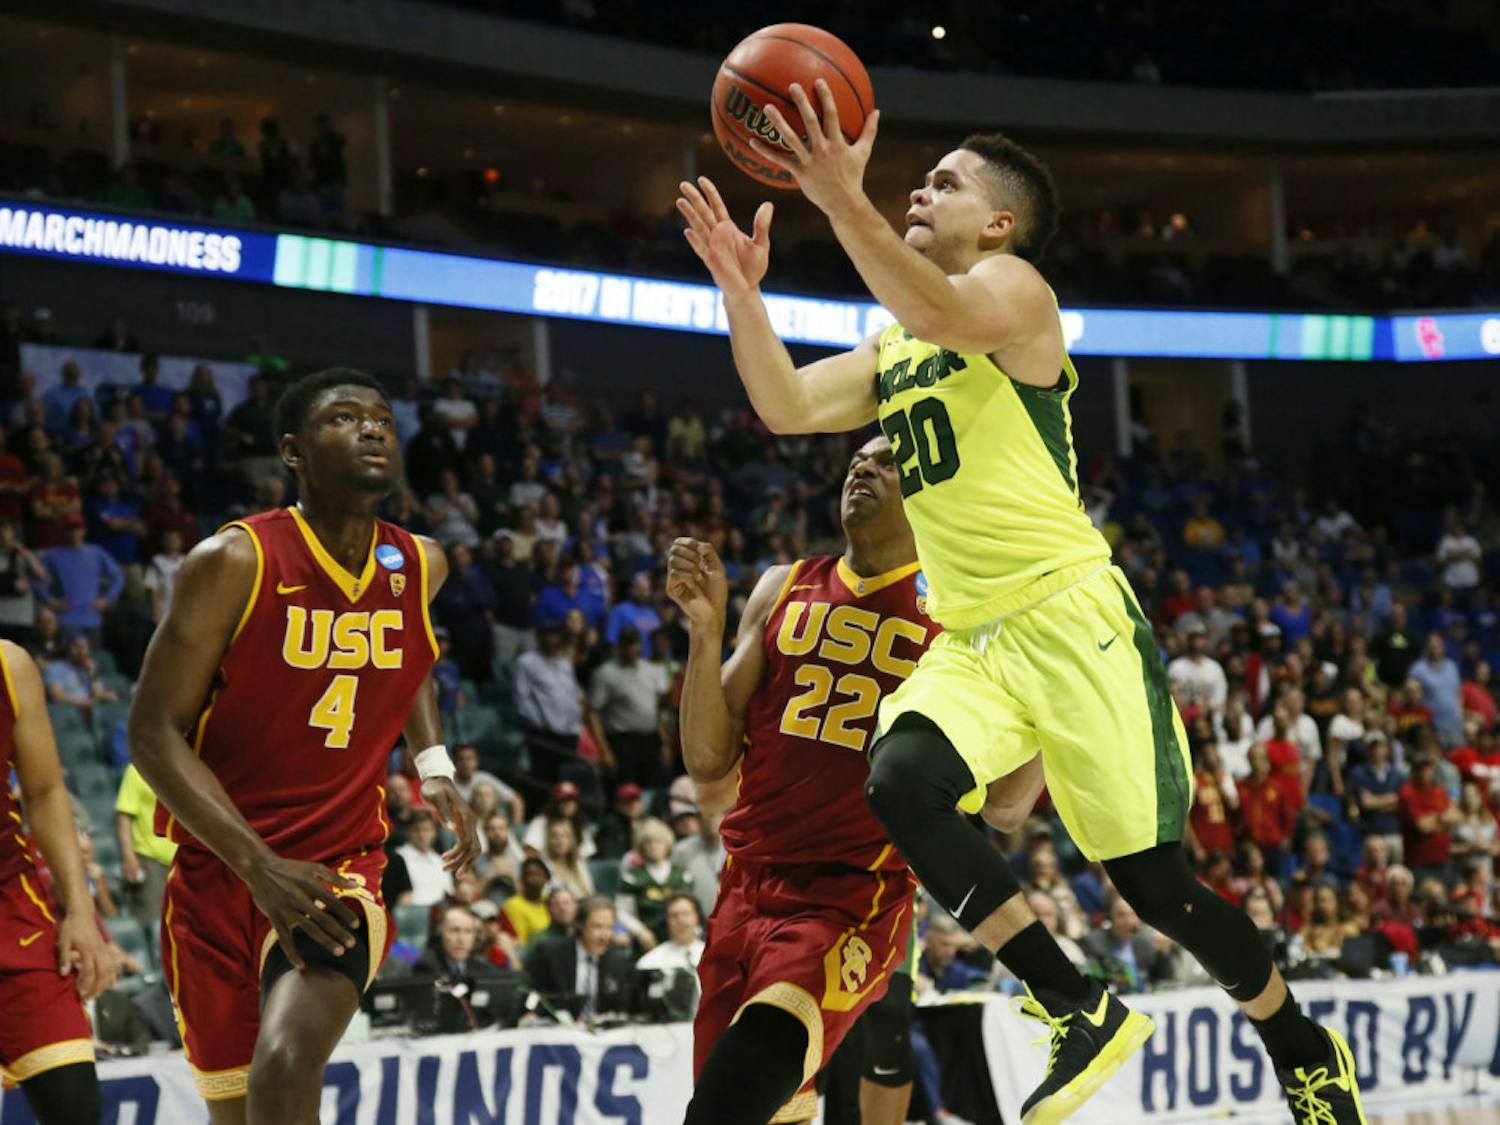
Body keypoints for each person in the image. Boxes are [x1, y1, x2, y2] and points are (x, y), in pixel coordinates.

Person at [677, 105, 1364, 1120]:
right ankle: (1072, 1000)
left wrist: (835, 194)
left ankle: (1295, 1038)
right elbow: (783, 404)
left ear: (999, 225)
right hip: (976, 635)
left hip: (1073, 622)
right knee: (901, 778)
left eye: (946, 182)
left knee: (1156, 888)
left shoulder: (1016, 293)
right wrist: (742, 293)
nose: (920, 190)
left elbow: (951, 316)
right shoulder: (897, 343)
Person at [127, 369, 479, 1124]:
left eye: (382, 417)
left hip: (338, 866)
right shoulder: (232, 562)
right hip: (220, 871)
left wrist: (434, 765)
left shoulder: (421, 563)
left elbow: (408, 652)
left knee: (286, 1064)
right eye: (344, 418)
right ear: (292, 450)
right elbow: (150, 731)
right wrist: (257, 866)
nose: (373, 428)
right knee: (239, 1109)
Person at [669, 435, 1034, 1125]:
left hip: (848, 901)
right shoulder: (783, 584)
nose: (863, 467)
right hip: (742, 888)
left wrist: (1045, 693)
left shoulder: (966, 620)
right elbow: (708, 762)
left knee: (726, 1103)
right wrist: (704, 626)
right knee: (756, 1108)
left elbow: (1011, 804)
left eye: (890, 460)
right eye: (857, 459)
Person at [0, 641, 116, 1123]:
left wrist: (81, 914)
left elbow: (46, 791)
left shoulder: (9, 664)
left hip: (14, 909)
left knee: (77, 1111)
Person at [524, 896, 636, 1017]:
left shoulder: (620, 964)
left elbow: (625, 1009)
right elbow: (529, 997)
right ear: (580, 925)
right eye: (597, 927)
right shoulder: (550, 954)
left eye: (609, 928)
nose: (605, 936)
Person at [114, 761, 177, 930]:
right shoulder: (137, 770)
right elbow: (124, 816)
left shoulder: (184, 768)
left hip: (183, 860)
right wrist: (129, 857)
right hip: (150, 860)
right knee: (154, 924)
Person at [413, 904, 505, 980]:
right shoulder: (426, 967)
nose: (461, 939)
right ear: (440, 934)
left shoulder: (484, 970)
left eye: (468, 931)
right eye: (454, 930)